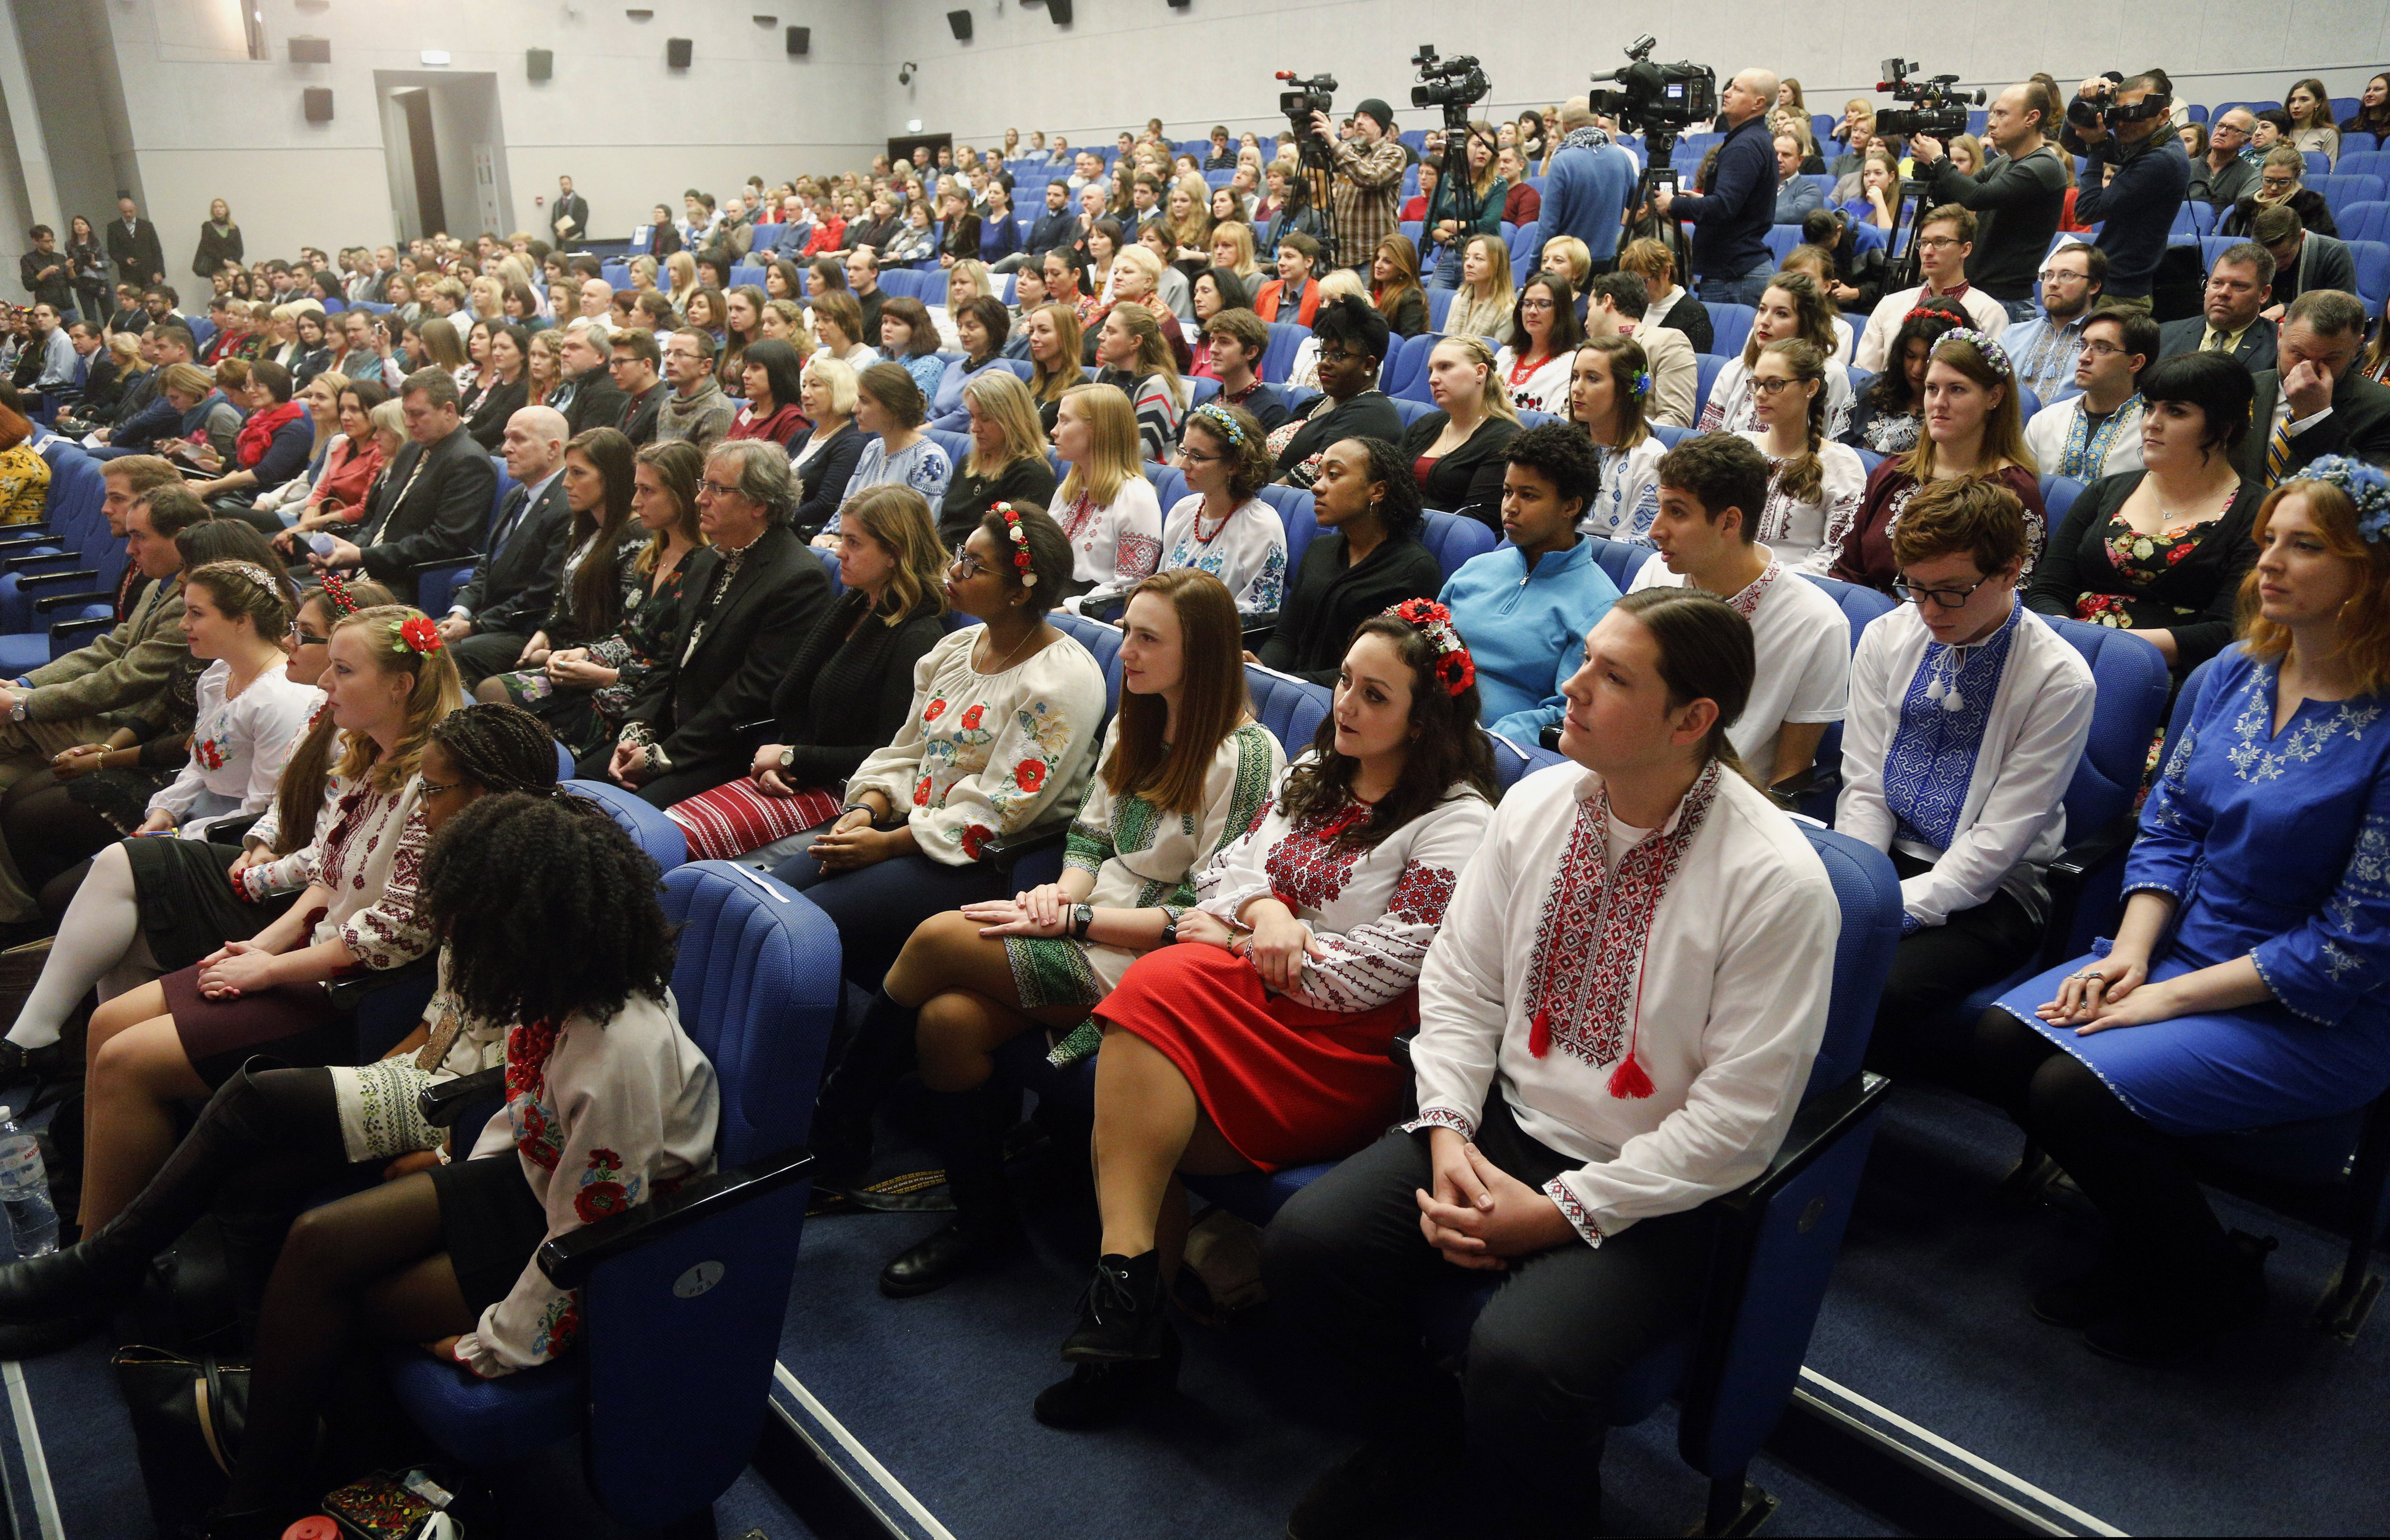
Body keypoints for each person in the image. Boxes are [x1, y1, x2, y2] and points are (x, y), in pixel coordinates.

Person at [1264, 581, 1838, 1539]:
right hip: (1499, 1130)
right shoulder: (1533, 805)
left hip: (1656, 1191)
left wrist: (1562, 1212)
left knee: (1523, 1358)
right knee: (1306, 1249)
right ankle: (1420, 1439)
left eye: (1611, 677)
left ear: (1690, 719)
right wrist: (1446, 1129)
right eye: (1585, 660)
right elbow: (1459, 984)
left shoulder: (1773, 880)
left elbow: (1738, 1124)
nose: (1570, 687)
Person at [161, 789, 710, 1531]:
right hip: (545, 1179)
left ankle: (266, 1498)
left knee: (351, 1303)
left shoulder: (618, 1052)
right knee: (316, 1241)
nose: (457, 943)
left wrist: (495, 1346)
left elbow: (591, 1235)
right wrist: (452, 1171)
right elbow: (527, 1112)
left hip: (601, 1234)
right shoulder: (557, 986)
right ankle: (296, 1458)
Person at [1042, 600, 1497, 1427]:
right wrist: (1271, 917)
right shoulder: (1316, 768)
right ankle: (1129, 1315)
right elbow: (1224, 872)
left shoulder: (1459, 823)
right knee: (1152, 1025)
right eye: (1345, 684)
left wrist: (1240, 930)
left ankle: (1127, 1325)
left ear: (1425, 718)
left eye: (1375, 696)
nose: (1345, 706)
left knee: (1158, 997)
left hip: (1348, 1052)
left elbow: (1371, 976)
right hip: (1250, 998)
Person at [1977, 457, 2390, 1363]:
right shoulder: (2232, 675)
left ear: (2370, 573)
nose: (2267, 565)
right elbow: (2166, 825)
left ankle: (2207, 1279)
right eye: (2268, 541)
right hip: (2179, 951)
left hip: (2307, 1009)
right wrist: (2129, 954)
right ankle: (2154, 1235)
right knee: (2003, 1044)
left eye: (2305, 547)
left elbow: (2350, 946)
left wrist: (2159, 1000)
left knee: (2068, 1085)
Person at [774, 502, 1103, 996]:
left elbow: (1001, 812)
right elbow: (908, 751)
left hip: (976, 862)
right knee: (772, 894)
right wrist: (868, 808)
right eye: (959, 554)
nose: (953, 571)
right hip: (906, 826)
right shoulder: (956, 649)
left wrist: (884, 844)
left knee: (795, 925)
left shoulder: (1060, 679)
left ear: (1018, 592)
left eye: (974, 566)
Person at [1836, 475, 2098, 1084]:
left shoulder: (2059, 680)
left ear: (2010, 571)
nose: (1928, 611)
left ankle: (1825, 1124)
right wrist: (1857, 886)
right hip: (1887, 856)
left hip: (1994, 894)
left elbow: (1996, 844)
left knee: (1872, 983)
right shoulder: (1886, 634)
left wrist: (1883, 914)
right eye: (1916, 587)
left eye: (1951, 592)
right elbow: (1866, 786)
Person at [663, 484, 949, 865]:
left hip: (848, 798)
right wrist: (780, 763)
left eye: (854, 543)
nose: (839, 552)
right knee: (663, 832)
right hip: (796, 778)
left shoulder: (918, 636)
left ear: (894, 555)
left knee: (681, 848)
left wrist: (792, 758)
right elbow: (798, 707)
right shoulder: (853, 605)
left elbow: (891, 755)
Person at [597, 440, 831, 804]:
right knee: (575, 785)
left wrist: (663, 757)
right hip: (671, 732)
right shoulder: (709, 558)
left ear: (759, 504)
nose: (700, 499)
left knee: (616, 817)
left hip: (725, 749)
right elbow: (670, 662)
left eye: (718, 489)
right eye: (702, 484)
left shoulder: (798, 579)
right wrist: (639, 729)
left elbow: (750, 696)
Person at [1628, 433, 1848, 794]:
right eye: (1660, 507)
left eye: (1677, 512)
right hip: (1631, 771)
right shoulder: (1655, 572)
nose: (1656, 531)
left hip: (1728, 803)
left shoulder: (1818, 623)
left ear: (1730, 522)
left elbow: (1789, 774)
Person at [2026, 352, 2259, 678]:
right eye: (2149, 407)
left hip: (2166, 678)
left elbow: (2228, 631)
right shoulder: (2105, 492)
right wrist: (2072, 645)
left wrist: (2108, 648)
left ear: (2225, 427)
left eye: (2176, 411)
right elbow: (2047, 590)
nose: (2152, 422)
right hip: (2065, 662)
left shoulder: (2258, 512)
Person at [479, 440, 703, 761]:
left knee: (515, 738)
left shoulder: (702, 566)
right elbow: (627, 637)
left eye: (648, 491)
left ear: (681, 494)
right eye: (636, 488)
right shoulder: (652, 556)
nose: (636, 501)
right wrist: (584, 653)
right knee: (493, 696)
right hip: (605, 678)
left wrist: (604, 674)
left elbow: (679, 668)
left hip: (640, 698)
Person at [1441, 423, 1621, 739]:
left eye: (1529, 496)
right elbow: (1422, 648)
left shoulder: (1601, 606)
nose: (1510, 506)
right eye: (1508, 491)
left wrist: (1485, 743)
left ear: (1571, 506)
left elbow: (1568, 709)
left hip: (1500, 752)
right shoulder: (1475, 569)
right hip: (1424, 720)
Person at [1835, 329, 2048, 591]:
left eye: (1956, 390)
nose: (1939, 403)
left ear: (1994, 396)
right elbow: (1844, 568)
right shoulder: (1892, 473)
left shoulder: (2015, 491)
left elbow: (2014, 589)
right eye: (1932, 388)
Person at [306, 368, 497, 606]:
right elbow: (379, 521)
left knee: (309, 604)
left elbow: (444, 543)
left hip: (406, 580)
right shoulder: (412, 450)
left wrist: (363, 557)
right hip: (372, 568)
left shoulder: (469, 462)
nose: (408, 423)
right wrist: (348, 551)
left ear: (448, 410)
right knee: (288, 584)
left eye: (417, 415)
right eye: (406, 414)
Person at [1261, 438, 1445, 682]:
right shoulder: (1320, 549)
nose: (1317, 487)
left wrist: (1285, 685)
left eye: (1334, 475)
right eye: (1319, 475)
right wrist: (1260, 670)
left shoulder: (1414, 570)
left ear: (1378, 491)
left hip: (1348, 703)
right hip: (1291, 687)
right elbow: (1286, 638)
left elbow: (1381, 671)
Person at [437, 408, 579, 687]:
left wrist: (473, 626)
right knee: (411, 636)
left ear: (553, 449)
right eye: (506, 438)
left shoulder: (567, 506)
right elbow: (486, 567)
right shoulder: (517, 495)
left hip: (525, 629)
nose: (506, 449)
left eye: (518, 439)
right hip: (489, 620)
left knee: (443, 654)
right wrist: (460, 614)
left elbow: (541, 594)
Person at [1910, 82, 2068, 324]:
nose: (1992, 122)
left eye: (2002, 114)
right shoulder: (2003, 163)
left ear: (2032, 118)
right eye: (1993, 113)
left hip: (2006, 301)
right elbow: (1956, 198)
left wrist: (1939, 160)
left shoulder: (2044, 166)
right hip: (1979, 293)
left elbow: (1977, 197)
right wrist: (1929, 165)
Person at [2061, 74, 2193, 310]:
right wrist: (2084, 98)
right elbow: (2071, 142)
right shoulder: (2146, 141)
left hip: (2123, 294)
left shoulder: (2162, 159)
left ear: (2163, 116)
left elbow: (2086, 212)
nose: (2122, 125)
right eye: (2119, 115)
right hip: (2112, 284)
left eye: (2134, 116)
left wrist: (2098, 146)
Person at [1652, 67, 1782, 306]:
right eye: (1730, 87)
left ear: (1758, 103)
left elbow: (1724, 208)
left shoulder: (1745, 146)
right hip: (1736, 270)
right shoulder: (1751, 139)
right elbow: (1738, 206)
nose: (1727, 93)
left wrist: (1675, 205)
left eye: (1738, 89)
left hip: (1734, 276)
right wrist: (1700, 201)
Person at [2233, 291, 2390, 489]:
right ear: (2280, 336)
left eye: (2330, 360)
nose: (2310, 370)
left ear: (2356, 347)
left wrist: (2317, 417)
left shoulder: (2383, 410)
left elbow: (2367, 494)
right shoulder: (2242, 389)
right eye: (2298, 355)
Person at [1737, 337, 1868, 573]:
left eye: (1775, 384)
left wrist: (1772, 581)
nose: (1760, 394)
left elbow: (1838, 553)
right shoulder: (1740, 447)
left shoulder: (1839, 463)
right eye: (1756, 384)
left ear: (1811, 388)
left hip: (1798, 586)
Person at [1158, 402, 1287, 616]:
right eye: (1183, 451)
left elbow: (1259, 614)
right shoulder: (1184, 510)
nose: (1183, 465)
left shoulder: (1261, 527)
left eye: (1197, 457)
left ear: (1234, 465)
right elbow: (1161, 588)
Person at [1047, 383, 1165, 610]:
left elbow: (1130, 585)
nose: (1054, 431)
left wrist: (1065, 611)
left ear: (1098, 429)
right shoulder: (1069, 489)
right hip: (1050, 600)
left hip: (1088, 613)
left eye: (1065, 421)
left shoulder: (1136, 496)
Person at [1699, 270, 1855, 439]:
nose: (1765, 321)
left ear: (1806, 323)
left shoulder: (1832, 376)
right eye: (1762, 310)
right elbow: (1706, 443)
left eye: (1781, 314)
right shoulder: (1735, 368)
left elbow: (1831, 449)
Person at [1853, 205, 2011, 371]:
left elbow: (1989, 378)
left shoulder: (1989, 313)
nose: (1927, 251)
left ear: (1965, 249)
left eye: (1940, 242)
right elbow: (1865, 373)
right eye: (1923, 243)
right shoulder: (1891, 304)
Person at [1269, 295, 1402, 489]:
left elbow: (1315, 474)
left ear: (1369, 364)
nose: (1325, 363)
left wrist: (1255, 499)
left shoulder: (1373, 414)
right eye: (1324, 353)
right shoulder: (1315, 402)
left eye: (1339, 356)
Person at [1401, 336, 1522, 531]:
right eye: (1431, 371)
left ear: (1480, 373)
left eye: (1446, 367)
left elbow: (1474, 521)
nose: (1433, 379)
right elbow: (1387, 482)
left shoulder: (1505, 439)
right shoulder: (1425, 424)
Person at [821, 362, 951, 541]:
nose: (854, 409)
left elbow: (916, 536)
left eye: (864, 401)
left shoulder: (929, 460)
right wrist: (829, 536)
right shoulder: (873, 449)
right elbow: (847, 508)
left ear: (893, 407)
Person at [2025, 305, 2155, 481]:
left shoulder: (2155, 430)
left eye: (2102, 348)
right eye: (2084, 345)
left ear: (2135, 363)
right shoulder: (2044, 421)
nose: (2084, 358)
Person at [941, 370, 1059, 549]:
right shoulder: (968, 463)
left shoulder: (1031, 476)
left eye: (985, 419)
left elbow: (1014, 551)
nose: (974, 428)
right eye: (972, 417)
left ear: (1012, 420)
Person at [1998, 242, 2110, 408]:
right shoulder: (2013, 334)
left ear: (2093, 286)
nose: (2053, 284)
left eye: (2067, 275)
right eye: (2048, 275)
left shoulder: (2105, 345)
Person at [1306, 95, 1406, 274]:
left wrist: (1334, 141)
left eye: (1367, 117)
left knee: (1369, 303)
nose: (1359, 122)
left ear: (1381, 126)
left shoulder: (1394, 152)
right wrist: (1304, 127)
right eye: (1357, 117)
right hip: (1342, 253)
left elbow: (1370, 177)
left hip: (1374, 256)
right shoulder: (1348, 152)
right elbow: (1315, 162)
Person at [1536, 98, 1636, 275]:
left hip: (1569, 266)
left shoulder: (1561, 161)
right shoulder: (1621, 157)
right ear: (1597, 122)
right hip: (1609, 263)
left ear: (1564, 127)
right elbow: (1641, 202)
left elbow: (1548, 225)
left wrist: (1534, 269)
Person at [2155, 244, 2278, 374]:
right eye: (2217, 283)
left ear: (2264, 294)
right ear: (2207, 285)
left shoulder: (2279, 347)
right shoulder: (2164, 335)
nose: (2223, 293)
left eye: (2239, 286)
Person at [1091, 301, 1188, 463]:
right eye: (1103, 330)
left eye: (1111, 332)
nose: (1100, 336)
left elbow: (1141, 451)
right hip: (1102, 465)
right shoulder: (1105, 374)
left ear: (1135, 342)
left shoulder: (1155, 385)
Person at [791, 353, 866, 540]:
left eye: (815, 385)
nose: (805, 393)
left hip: (804, 535)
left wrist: (772, 520)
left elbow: (826, 505)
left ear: (839, 390)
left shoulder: (852, 442)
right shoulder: (802, 436)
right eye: (804, 385)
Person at [1493, 273, 1583, 416]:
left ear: (1562, 310)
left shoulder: (1572, 364)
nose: (1532, 312)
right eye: (1527, 304)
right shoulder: (1504, 355)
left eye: (1543, 304)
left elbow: (1556, 423)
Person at [1616, 237, 1712, 354]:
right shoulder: (1629, 306)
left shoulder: (1694, 316)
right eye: (1631, 282)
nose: (1636, 289)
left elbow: (1696, 367)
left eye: (1643, 282)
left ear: (1666, 272)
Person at [2222, 147, 2341, 238]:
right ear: (2262, 172)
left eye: (2283, 182)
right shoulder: (2245, 206)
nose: (2273, 188)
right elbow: (2227, 246)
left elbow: (2325, 247)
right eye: (2268, 180)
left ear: (2297, 176)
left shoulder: (2310, 205)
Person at [655, 328, 733, 454]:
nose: (669, 361)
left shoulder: (717, 411)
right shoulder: (667, 404)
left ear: (705, 366)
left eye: (680, 355)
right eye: (668, 353)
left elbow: (711, 470)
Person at [1442, 234, 1515, 346]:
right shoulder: (1458, 300)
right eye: (1467, 258)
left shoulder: (1508, 311)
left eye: (1478, 259)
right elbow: (1444, 344)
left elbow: (1499, 357)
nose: (1469, 264)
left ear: (1497, 265)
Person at [2188, 108, 2260, 213]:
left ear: (2246, 141)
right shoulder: (2185, 167)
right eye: (2220, 125)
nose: (2222, 132)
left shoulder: (2251, 175)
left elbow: (2237, 218)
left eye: (2233, 129)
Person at [1255, 231, 1324, 327]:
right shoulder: (1267, 290)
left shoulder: (1320, 294)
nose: (1281, 263)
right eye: (1279, 257)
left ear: (1308, 262)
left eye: (1289, 257)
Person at [1368, 235, 1427, 340]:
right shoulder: (1370, 294)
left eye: (1387, 261)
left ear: (1402, 269)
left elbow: (1409, 342)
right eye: (1378, 258)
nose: (1377, 265)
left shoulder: (1411, 297)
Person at [106, 197, 165, 289]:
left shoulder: (147, 226)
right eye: (125, 212)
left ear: (136, 210)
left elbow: (156, 250)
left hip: (149, 273)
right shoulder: (114, 228)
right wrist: (125, 260)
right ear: (121, 212)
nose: (128, 214)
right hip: (129, 275)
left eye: (131, 211)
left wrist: (159, 271)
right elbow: (113, 251)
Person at [2282, 76, 2341, 166]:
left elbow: (2329, 172)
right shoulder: (2281, 131)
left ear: (2318, 103)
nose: (2296, 106)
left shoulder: (2328, 134)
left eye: (2304, 100)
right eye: (2292, 101)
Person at [1772, 131, 1824, 224]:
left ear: (1800, 160)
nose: (1779, 159)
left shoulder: (1811, 191)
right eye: (1775, 154)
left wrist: (1752, 215)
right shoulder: (1758, 187)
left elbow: (1799, 213)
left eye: (1786, 155)